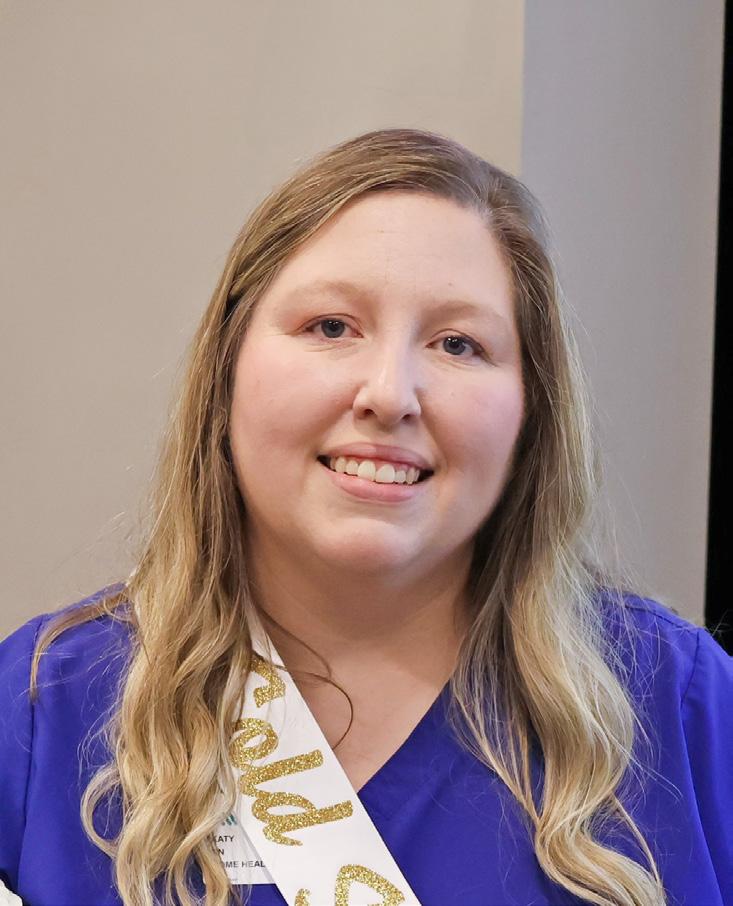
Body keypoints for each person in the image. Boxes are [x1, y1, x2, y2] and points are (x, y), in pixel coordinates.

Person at [0, 128, 731, 906]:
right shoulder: (43, 708)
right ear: (226, 369)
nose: (389, 393)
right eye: (331, 327)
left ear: (531, 411)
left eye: (458, 344)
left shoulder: (678, 703)